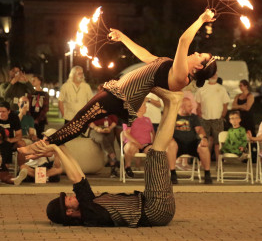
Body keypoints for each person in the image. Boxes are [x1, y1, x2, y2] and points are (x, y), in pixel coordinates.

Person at [19, 9, 217, 159]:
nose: (195, 53)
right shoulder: (172, 65)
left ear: (198, 68)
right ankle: (42, 149)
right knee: (80, 121)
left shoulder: (182, 76)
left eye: (200, 56)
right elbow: (147, 56)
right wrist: (123, 38)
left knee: (79, 121)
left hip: (119, 97)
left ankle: (41, 147)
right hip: (117, 93)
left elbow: (183, 41)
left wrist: (201, 19)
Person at [27, 87, 183, 227]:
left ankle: (170, 103)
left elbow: (78, 174)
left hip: (151, 203)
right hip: (156, 210)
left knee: (154, 156)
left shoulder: (89, 204)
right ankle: (174, 103)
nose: (72, 195)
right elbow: (74, 178)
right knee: (156, 154)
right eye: (68, 199)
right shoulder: (90, 215)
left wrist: (60, 145)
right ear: (68, 212)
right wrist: (55, 147)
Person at [167, 97, 212, 185]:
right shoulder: (173, 116)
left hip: (192, 144)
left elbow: (199, 129)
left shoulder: (193, 117)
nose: (191, 108)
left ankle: (207, 174)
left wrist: (204, 138)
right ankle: (173, 174)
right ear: (182, 107)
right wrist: (170, 138)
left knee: (203, 146)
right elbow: (167, 131)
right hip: (178, 144)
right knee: (170, 144)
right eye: (189, 106)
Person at [195, 72, 230, 162]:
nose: (214, 76)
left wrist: (222, 116)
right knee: (203, 141)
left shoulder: (221, 88)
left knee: (218, 142)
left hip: (217, 119)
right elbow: (198, 103)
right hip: (204, 119)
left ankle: (219, 164)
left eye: (215, 75)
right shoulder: (202, 88)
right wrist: (200, 115)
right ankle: (204, 163)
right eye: (212, 74)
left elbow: (225, 103)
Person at [122, 101, 154, 178]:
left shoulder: (148, 119)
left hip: (146, 145)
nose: (146, 107)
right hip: (132, 144)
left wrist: (154, 143)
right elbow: (126, 133)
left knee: (154, 150)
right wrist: (138, 144)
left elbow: (153, 133)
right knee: (130, 147)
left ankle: (152, 171)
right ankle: (127, 167)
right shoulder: (129, 118)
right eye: (144, 105)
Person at [0, 101, 25, 170]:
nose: (1, 114)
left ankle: (22, 168)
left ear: (9, 111)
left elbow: (19, 135)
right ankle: (4, 168)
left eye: (3, 111)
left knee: (22, 143)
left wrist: (10, 140)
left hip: (10, 141)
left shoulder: (14, 117)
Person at [29, 75, 49, 139]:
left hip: (40, 119)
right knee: (31, 136)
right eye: (32, 80)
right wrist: (30, 118)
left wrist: (38, 119)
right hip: (31, 117)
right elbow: (28, 106)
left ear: (39, 82)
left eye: (34, 80)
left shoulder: (44, 94)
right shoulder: (31, 93)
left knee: (40, 136)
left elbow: (45, 108)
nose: (32, 81)